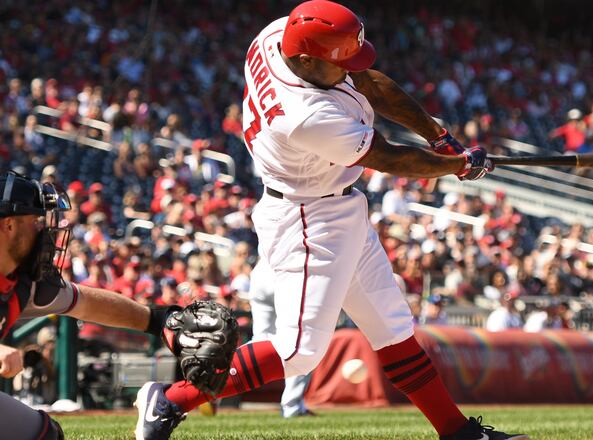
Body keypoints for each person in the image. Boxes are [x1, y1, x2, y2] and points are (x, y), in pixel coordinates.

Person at [134, 2, 527, 440]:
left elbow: (368, 82)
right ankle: (171, 399)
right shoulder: (307, 116)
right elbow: (388, 157)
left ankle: (457, 432)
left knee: (392, 328)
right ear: (305, 60)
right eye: (338, 63)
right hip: (307, 216)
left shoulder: (280, 34)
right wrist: (454, 166)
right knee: (298, 351)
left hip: (336, 205)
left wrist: (439, 137)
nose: (348, 71)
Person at [0, 171, 181, 440]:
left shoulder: (25, 280)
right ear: (10, 225)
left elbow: (87, 303)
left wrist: (156, 321)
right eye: (36, 221)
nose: (44, 229)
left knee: (44, 435)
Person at [249, 259, 315, 418]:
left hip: (260, 272)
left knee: (259, 342)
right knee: (301, 342)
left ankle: (218, 376)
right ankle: (292, 407)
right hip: (286, 272)